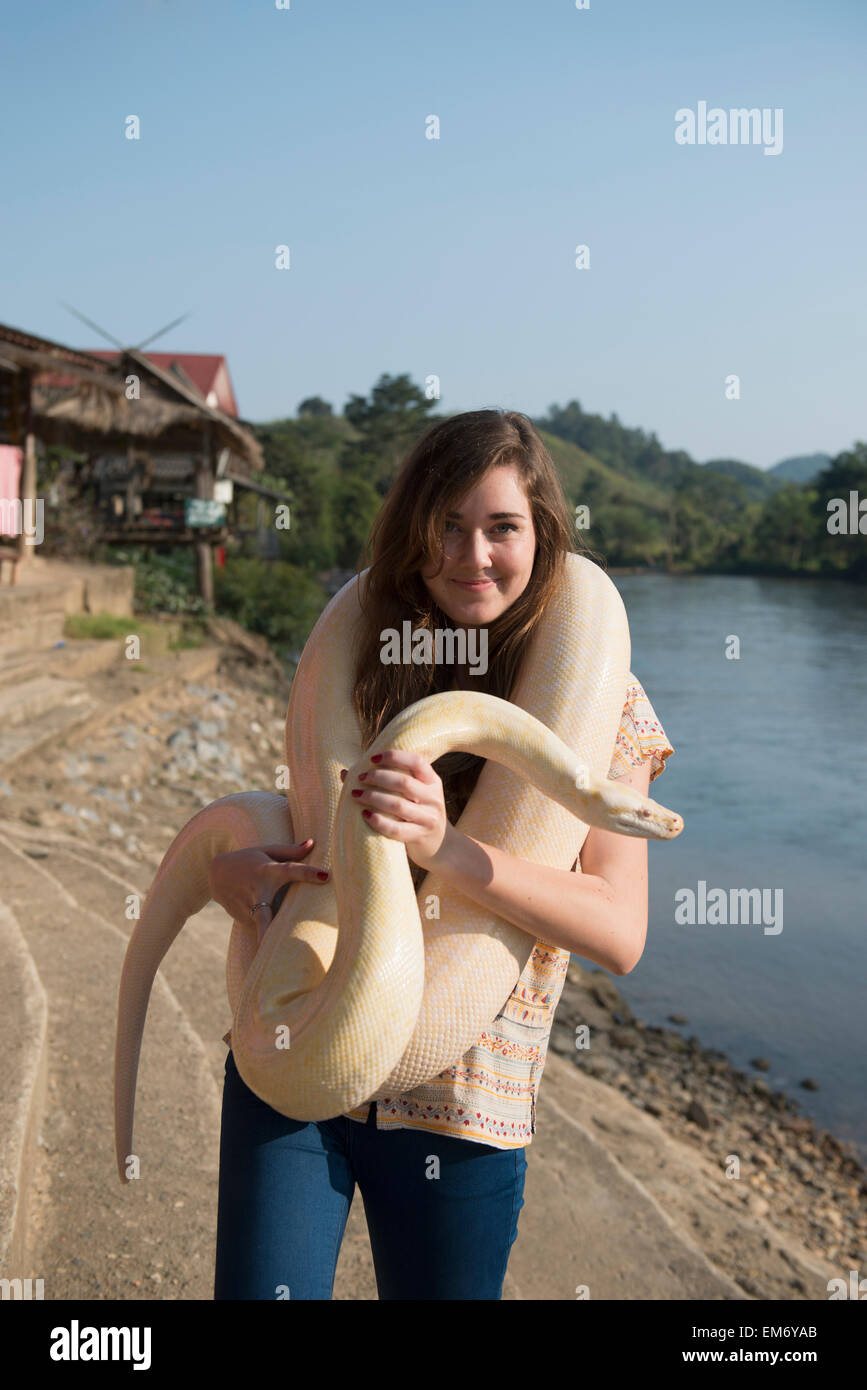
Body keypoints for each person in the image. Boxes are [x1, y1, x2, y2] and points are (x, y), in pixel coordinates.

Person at [209, 409, 674, 1300]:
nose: (473, 556)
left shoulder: (606, 702)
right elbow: (311, 842)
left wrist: (448, 850)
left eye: (502, 528)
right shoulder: (368, 662)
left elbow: (618, 932)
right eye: (447, 528)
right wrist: (249, 881)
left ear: (541, 536)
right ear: (413, 534)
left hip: (461, 1113)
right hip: (293, 1060)